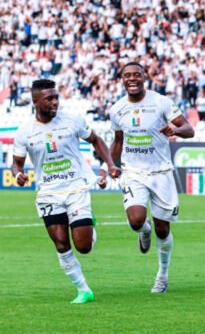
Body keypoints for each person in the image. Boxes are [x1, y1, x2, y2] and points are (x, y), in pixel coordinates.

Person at [11, 79, 120, 304]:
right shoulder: (24, 132)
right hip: (48, 193)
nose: (55, 102)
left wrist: (109, 164)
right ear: (35, 101)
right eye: (49, 98)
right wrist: (17, 173)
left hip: (75, 187)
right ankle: (83, 290)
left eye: (56, 97)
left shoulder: (72, 120)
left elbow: (96, 140)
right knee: (61, 243)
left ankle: (89, 226)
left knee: (84, 247)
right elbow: (17, 163)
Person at [109, 62, 194, 293]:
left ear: (144, 77)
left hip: (161, 173)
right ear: (122, 79)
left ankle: (162, 275)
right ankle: (143, 231)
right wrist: (109, 164)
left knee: (163, 230)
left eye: (137, 74)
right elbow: (118, 141)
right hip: (133, 173)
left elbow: (189, 129)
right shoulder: (117, 109)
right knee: (136, 220)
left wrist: (174, 130)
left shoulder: (161, 102)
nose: (132, 78)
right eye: (128, 75)